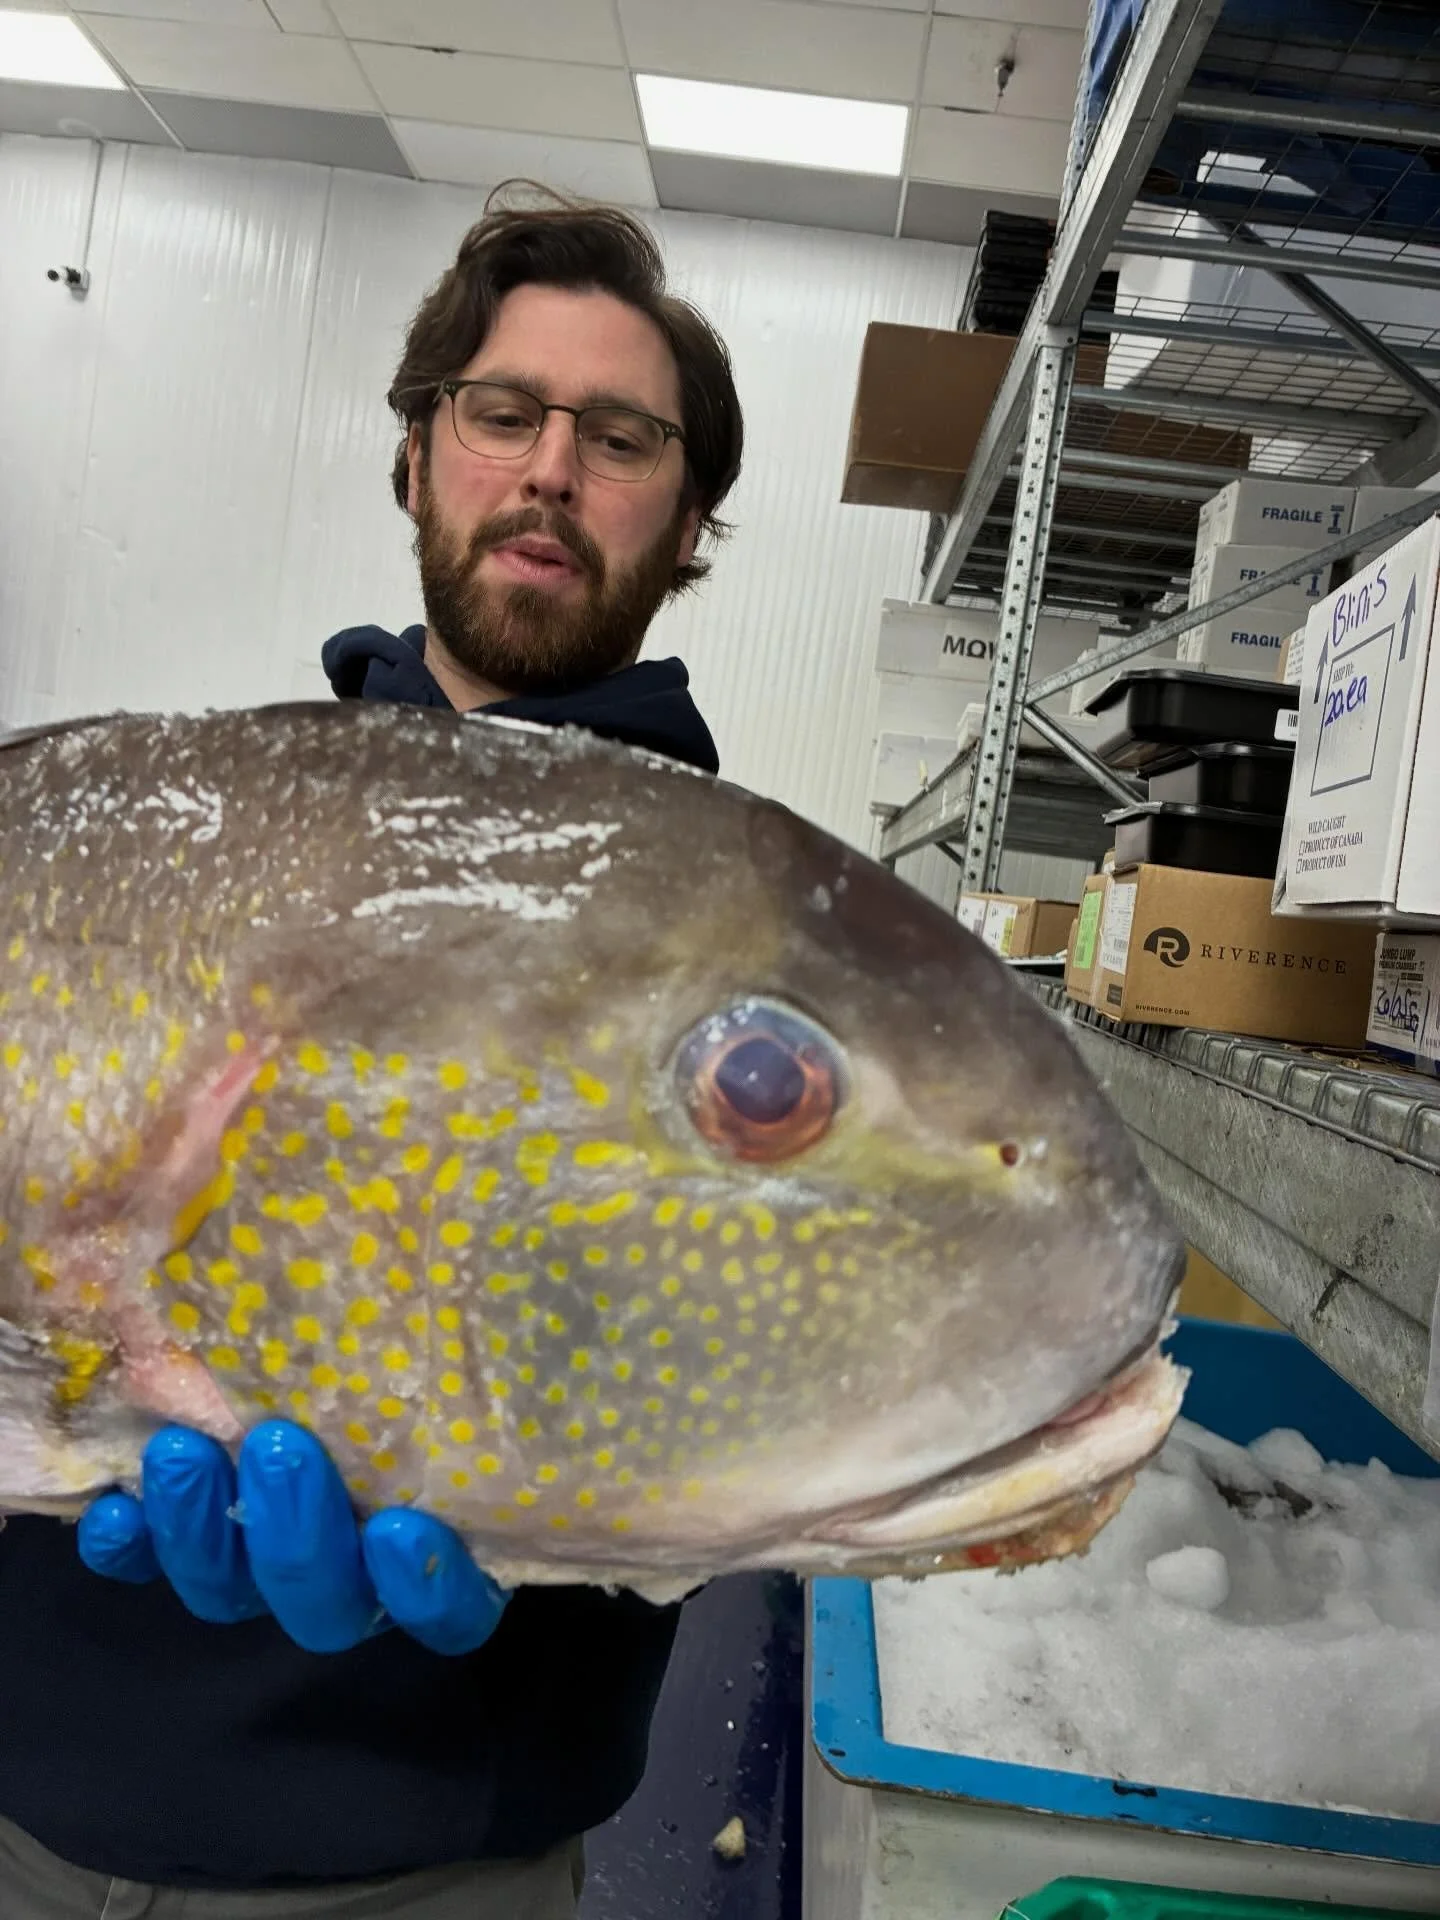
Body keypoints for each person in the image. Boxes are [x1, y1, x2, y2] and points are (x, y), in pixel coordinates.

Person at [0, 182, 744, 1919]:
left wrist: (579, 1548)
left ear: (690, 517)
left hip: (418, 1854)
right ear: (419, 458)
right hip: (27, 1794)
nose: (552, 468)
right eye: (504, 413)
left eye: (623, 437)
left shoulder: (735, 959)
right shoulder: (176, 845)